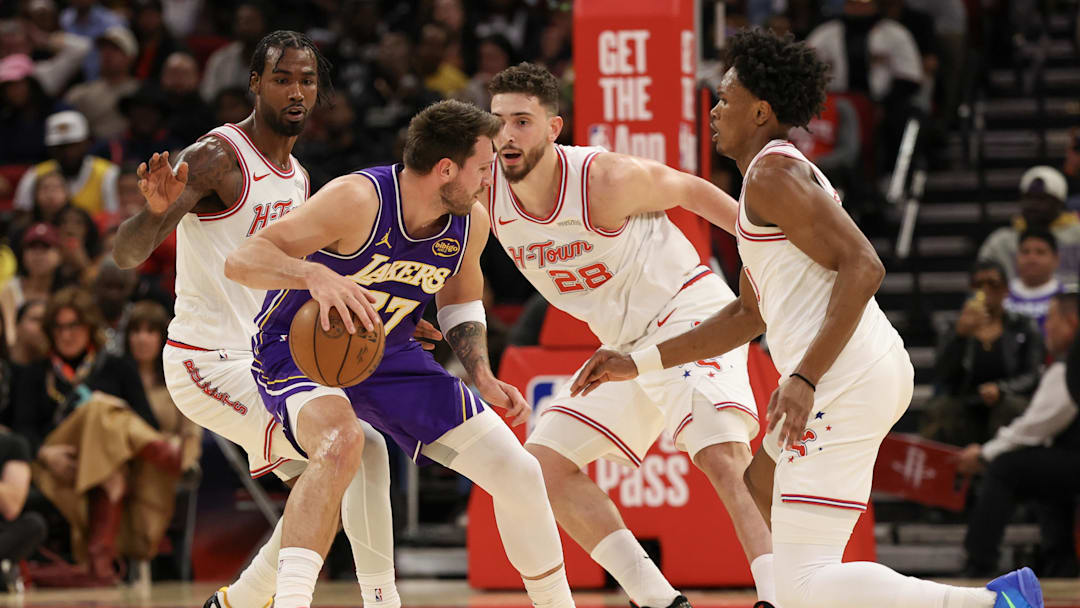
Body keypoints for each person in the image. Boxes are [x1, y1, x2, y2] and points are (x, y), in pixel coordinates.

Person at [569, 29, 1043, 608]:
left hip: (843, 376)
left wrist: (804, 378)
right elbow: (746, 316)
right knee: (759, 482)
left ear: (761, 111)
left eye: (726, 98)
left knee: (801, 587)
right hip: (855, 369)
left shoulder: (773, 176)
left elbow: (865, 265)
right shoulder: (759, 186)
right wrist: (636, 361)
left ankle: (994, 604)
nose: (714, 110)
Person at [224, 99, 574, 608]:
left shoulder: (470, 221)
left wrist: (481, 372)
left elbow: (460, 299)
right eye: (483, 167)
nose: (489, 180)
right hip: (298, 350)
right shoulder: (357, 199)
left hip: (387, 353)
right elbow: (243, 259)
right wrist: (314, 273)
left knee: (519, 472)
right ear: (446, 169)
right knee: (344, 442)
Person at [113, 30, 407, 608]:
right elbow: (127, 254)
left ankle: (242, 604)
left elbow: (310, 278)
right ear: (255, 83)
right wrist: (149, 217)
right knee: (344, 448)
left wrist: (388, 315)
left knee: (350, 464)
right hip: (208, 359)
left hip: (268, 360)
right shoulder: (216, 157)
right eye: (282, 78)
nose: (296, 91)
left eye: (307, 79)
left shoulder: (298, 177)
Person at [484, 63, 775, 607]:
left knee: (719, 453)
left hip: (690, 314)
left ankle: (781, 595)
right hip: (622, 347)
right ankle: (659, 600)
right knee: (541, 467)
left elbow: (692, 191)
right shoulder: (487, 193)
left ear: (553, 128)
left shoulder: (604, 180)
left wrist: (770, 254)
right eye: (498, 121)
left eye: (522, 121)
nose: (507, 136)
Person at [11, 287, 179, 584]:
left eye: (74, 325)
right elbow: (23, 429)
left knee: (108, 446)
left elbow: (145, 419)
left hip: (104, 463)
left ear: (89, 326)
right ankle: (163, 453)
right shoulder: (34, 373)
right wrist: (44, 453)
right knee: (100, 407)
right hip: (57, 460)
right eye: (59, 327)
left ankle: (99, 563)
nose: (67, 334)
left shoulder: (118, 367)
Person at [958, 291, 1080, 578]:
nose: (1046, 326)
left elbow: (1036, 426)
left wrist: (986, 453)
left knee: (1006, 468)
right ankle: (1060, 561)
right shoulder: (1063, 363)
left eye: (1051, 319)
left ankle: (979, 561)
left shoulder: (1070, 364)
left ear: (1072, 321)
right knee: (1043, 468)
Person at [923, 260, 1044, 446]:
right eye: (978, 284)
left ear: (1006, 289)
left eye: (993, 284)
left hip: (1006, 399)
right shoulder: (953, 326)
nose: (985, 290)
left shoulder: (1023, 325)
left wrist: (1002, 389)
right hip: (965, 400)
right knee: (940, 409)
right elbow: (942, 374)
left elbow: (1032, 374)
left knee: (1012, 407)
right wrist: (960, 336)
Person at [979, 166, 1079, 283]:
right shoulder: (1001, 242)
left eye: (1042, 199)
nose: (1033, 205)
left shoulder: (1077, 235)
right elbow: (981, 282)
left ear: (1059, 203)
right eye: (1028, 198)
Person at [12, 110, 120, 216]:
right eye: (60, 147)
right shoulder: (35, 175)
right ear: (51, 149)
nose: (68, 153)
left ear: (86, 143)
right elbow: (22, 217)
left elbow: (114, 218)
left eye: (73, 145)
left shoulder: (108, 173)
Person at [1004, 229, 1062, 331]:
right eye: (1025, 252)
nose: (1031, 259)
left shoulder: (1066, 299)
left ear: (1056, 259)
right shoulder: (1001, 295)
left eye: (1040, 252)